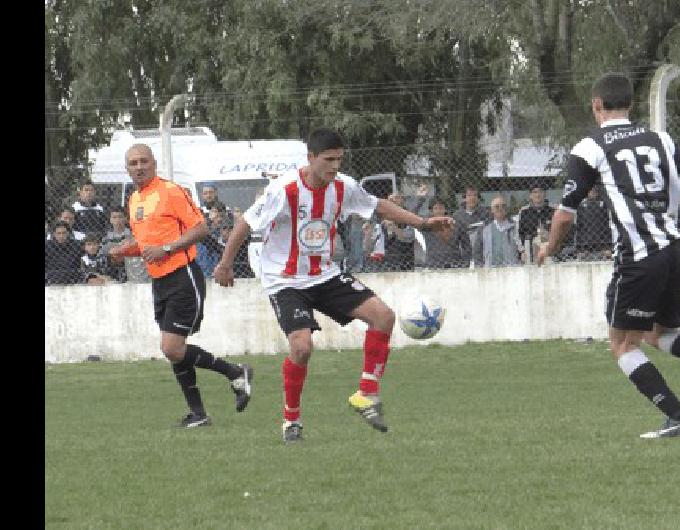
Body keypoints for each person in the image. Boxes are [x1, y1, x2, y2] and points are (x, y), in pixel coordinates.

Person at [212, 127, 454, 443]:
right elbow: (245, 223)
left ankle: (367, 393)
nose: (334, 166)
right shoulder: (283, 190)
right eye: (328, 160)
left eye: (339, 160)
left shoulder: (343, 187)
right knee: (301, 347)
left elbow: (378, 205)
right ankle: (292, 420)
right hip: (284, 280)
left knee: (384, 316)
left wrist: (422, 223)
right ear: (310, 158)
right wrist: (226, 263)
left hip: (324, 274)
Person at [536, 72, 680, 439]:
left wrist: (549, 247)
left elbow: (566, 212)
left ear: (596, 105)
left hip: (638, 255)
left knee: (622, 343)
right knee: (658, 332)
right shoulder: (658, 139)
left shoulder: (590, 147)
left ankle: (679, 417)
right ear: (630, 104)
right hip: (674, 249)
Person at [109, 143, 254, 429]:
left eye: (144, 161)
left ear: (154, 163)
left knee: (172, 347)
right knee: (174, 348)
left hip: (182, 275)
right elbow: (146, 244)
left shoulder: (170, 191)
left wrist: (168, 248)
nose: (139, 167)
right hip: (159, 281)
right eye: (133, 163)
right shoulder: (135, 199)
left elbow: (201, 228)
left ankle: (236, 372)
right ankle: (198, 414)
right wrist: (124, 251)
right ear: (127, 169)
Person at [473, 196, 522, 267]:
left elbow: (522, 250)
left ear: (507, 208)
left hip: (511, 270)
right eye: (497, 207)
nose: (500, 209)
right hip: (491, 271)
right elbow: (477, 253)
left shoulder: (515, 227)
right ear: (492, 210)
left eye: (503, 206)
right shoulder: (484, 229)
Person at [422, 197, 471, 268]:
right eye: (435, 208)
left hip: (454, 264)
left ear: (445, 209)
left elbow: (466, 245)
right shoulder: (427, 226)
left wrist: (466, 263)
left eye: (441, 208)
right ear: (431, 210)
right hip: (433, 264)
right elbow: (413, 217)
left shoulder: (456, 224)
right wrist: (421, 198)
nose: (438, 211)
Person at [574, 184, 613, 261]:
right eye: (590, 191)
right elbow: (578, 224)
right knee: (582, 254)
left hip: (602, 236)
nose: (592, 193)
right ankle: (584, 251)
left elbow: (607, 221)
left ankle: (605, 252)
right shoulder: (581, 205)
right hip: (586, 237)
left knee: (607, 252)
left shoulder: (603, 203)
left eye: (594, 191)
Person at [453, 185, 492, 259]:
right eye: (469, 195)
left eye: (475, 195)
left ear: (478, 198)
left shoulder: (486, 214)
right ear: (464, 198)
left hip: (482, 254)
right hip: (464, 255)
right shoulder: (457, 216)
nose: (472, 198)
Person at [45, 221, 84, 285]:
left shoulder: (77, 245)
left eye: (64, 233)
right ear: (54, 234)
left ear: (68, 233)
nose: (61, 236)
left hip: (74, 280)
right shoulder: (47, 246)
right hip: (51, 280)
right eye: (59, 233)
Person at [517, 186, 554, 253]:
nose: (538, 195)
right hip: (529, 250)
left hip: (550, 249)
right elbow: (518, 233)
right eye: (535, 192)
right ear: (530, 195)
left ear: (545, 194)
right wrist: (522, 251)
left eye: (540, 191)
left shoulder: (553, 210)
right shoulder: (523, 212)